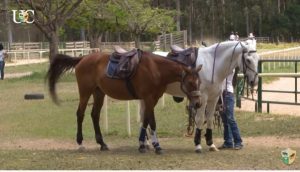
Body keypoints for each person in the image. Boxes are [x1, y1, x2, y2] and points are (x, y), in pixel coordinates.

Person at [218, 69, 243, 150]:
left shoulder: (230, 68)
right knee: (225, 119)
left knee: (230, 118)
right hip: (220, 94)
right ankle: (228, 141)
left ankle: (238, 141)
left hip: (228, 93)